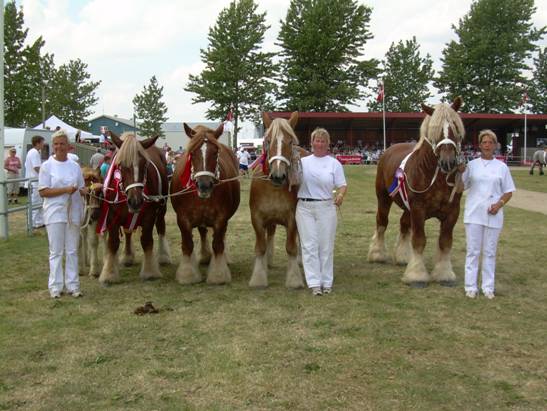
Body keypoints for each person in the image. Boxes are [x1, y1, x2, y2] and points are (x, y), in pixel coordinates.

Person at [460, 129, 516, 300]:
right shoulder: (472, 165)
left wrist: (499, 204)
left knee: (490, 252)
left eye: (490, 142)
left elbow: (508, 191)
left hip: (493, 215)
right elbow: (461, 187)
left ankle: (488, 287)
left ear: (495, 145)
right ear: (479, 145)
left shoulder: (502, 167)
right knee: (473, 251)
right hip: (474, 214)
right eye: (484, 142)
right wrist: (459, 171)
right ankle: (470, 286)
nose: (487, 145)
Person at [295, 128, 347, 296]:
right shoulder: (302, 162)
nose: (319, 144)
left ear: (327, 143)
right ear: (311, 143)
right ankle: (314, 283)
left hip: (326, 207)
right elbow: (293, 179)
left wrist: (340, 195)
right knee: (309, 246)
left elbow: (342, 185)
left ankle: (326, 282)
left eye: (323, 141)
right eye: (316, 140)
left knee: (325, 246)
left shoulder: (334, 164)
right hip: (304, 208)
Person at [38, 130, 87, 299]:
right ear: (53, 146)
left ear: (68, 146)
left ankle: (73, 285)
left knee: (72, 250)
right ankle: (55, 286)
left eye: (62, 144)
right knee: (56, 251)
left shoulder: (74, 167)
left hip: (73, 212)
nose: (59, 147)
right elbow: (43, 191)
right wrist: (65, 190)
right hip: (55, 213)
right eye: (56, 144)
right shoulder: (47, 166)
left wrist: (87, 190)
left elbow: (81, 188)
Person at [25, 135, 45, 228]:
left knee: (39, 202)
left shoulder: (33, 152)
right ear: (37, 143)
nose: (43, 144)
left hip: (35, 181)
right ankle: (32, 223)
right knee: (35, 202)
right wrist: (45, 174)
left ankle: (39, 222)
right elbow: (36, 167)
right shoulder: (34, 153)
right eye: (42, 142)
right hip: (34, 182)